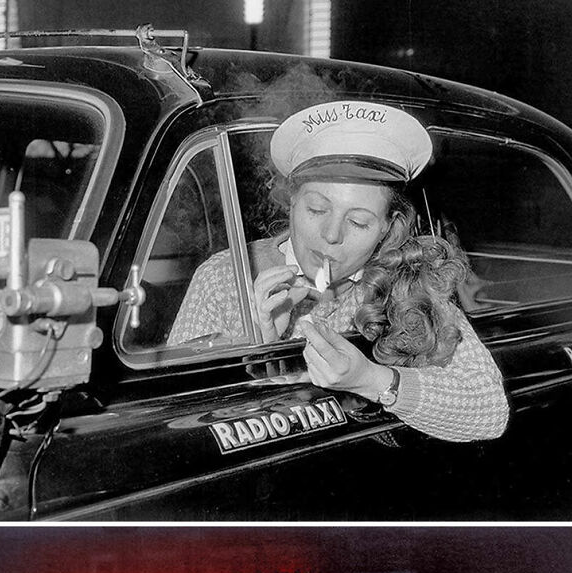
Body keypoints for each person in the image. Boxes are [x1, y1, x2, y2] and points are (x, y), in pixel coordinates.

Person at [167, 101, 508, 443]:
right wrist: (254, 348)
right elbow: (171, 422)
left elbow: (489, 412)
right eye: (316, 208)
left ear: (387, 231)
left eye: (358, 221)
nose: (331, 235)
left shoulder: (409, 282)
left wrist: (372, 380)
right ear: (291, 202)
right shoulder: (224, 277)